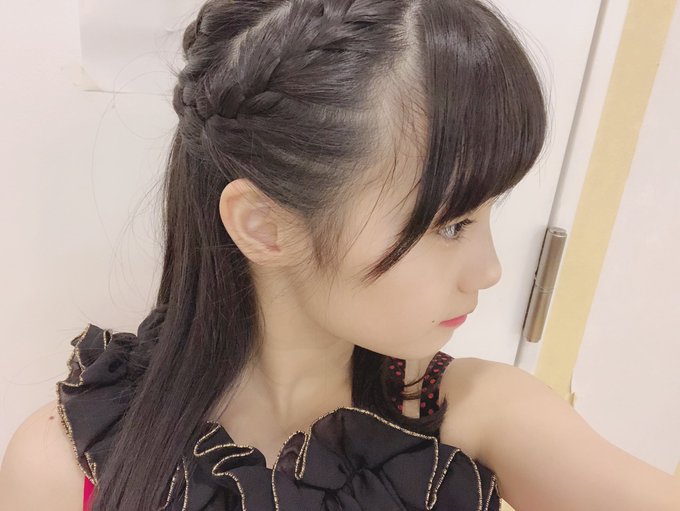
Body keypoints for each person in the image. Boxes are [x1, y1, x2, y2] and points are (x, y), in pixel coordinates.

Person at [2, 0, 679, 509]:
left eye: (487, 214)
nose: (490, 270)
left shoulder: (483, 418)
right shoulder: (65, 465)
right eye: (450, 225)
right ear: (265, 226)